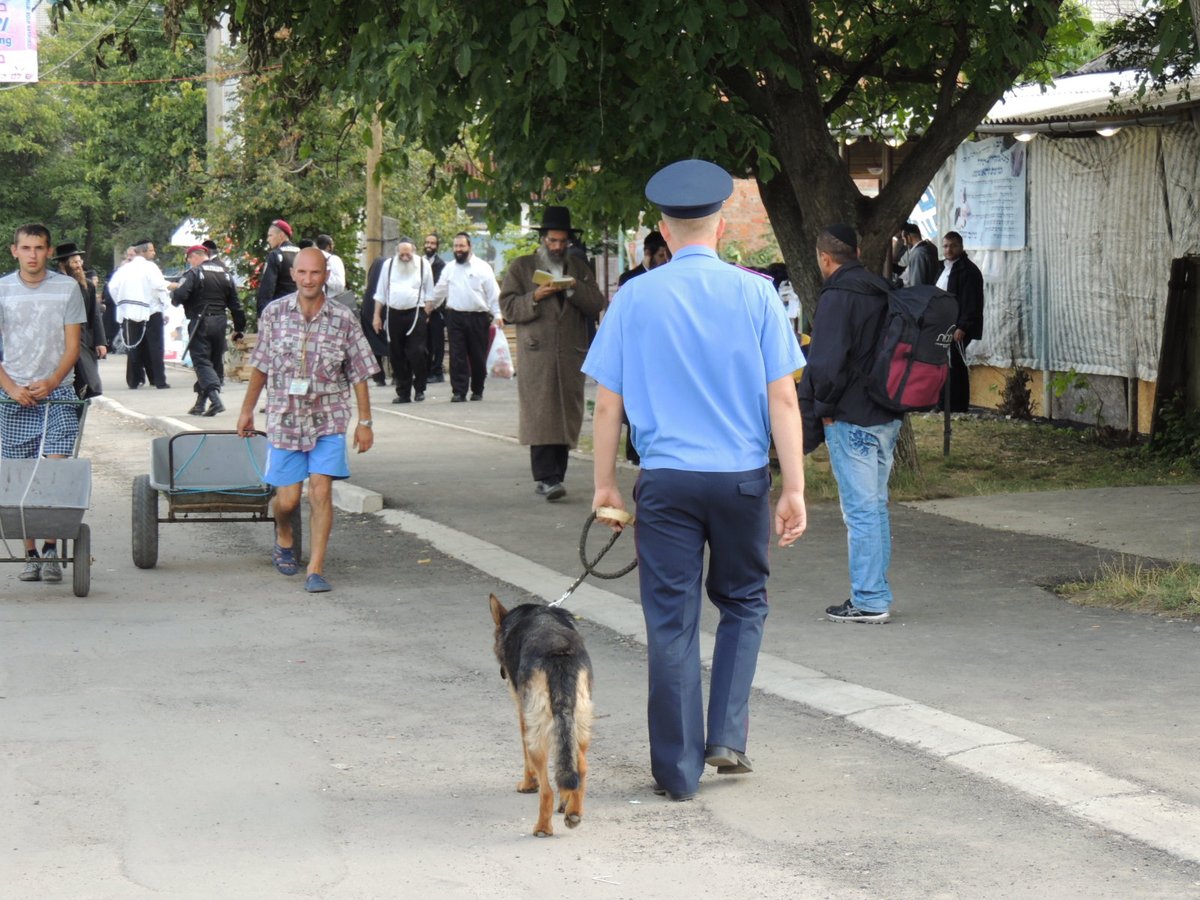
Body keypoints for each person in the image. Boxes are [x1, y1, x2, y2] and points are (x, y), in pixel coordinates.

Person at [583, 160, 807, 801]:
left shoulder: (633, 297)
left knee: (670, 621)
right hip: (740, 480)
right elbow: (783, 402)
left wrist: (604, 486)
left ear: (663, 227)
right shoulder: (758, 294)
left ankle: (677, 773)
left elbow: (606, 404)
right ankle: (727, 736)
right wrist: (792, 487)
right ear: (720, 225)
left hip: (667, 483)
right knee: (744, 602)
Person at [236, 247, 379, 594]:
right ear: (294, 274)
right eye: (302, 273)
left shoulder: (343, 318)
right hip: (285, 417)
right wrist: (247, 409)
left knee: (321, 490)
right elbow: (262, 365)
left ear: (325, 275)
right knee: (286, 501)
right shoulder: (274, 314)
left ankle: (315, 568)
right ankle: (284, 534)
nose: (308, 279)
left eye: (315, 273)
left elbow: (359, 372)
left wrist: (365, 422)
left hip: (328, 417)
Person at [799, 224, 903, 624]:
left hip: (850, 418)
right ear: (856, 251)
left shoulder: (837, 296)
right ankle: (876, 589)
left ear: (825, 258)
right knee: (874, 508)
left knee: (860, 511)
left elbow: (824, 365)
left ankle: (871, 599)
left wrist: (820, 409)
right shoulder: (880, 289)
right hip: (885, 415)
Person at [0, 224, 87, 584]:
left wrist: (52, 381)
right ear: (14, 251)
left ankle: (52, 549)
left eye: (39, 247)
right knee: (20, 477)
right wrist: (10, 387)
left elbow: (72, 347)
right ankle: (31, 553)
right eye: (26, 247)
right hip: (13, 396)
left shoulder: (66, 289)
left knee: (53, 471)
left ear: (49, 252)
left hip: (58, 393)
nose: (32, 254)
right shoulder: (2, 289)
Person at [499, 206, 605, 501]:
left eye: (562, 242)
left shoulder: (579, 269)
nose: (558, 247)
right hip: (538, 354)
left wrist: (572, 289)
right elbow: (507, 308)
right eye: (553, 241)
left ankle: (557, 476)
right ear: (543, 239)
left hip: (570, 354)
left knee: (565, 415)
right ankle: (546, 478)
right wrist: (535, 296)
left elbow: (596, 303)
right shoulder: (522, 267)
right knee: (541, 414)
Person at [171, 244, 246, 416]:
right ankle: (200, 403)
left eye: (189, 260)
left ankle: (215, 399)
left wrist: (173, 294)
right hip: (220, 321)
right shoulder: (225, 274)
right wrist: (239, 328)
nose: (190, 263)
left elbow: (179, 297)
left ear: (194, 257)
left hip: (200, 321)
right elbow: (236, 304)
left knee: (201, 361)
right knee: (213, 361)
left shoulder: (194, 273)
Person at [431, 232, 502, 402]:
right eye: (456, 246)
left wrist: (498, 313)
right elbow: (440, 290)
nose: (458, 250)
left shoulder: (483, 267)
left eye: (461, 246)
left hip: (478, 318)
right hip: (455, 316)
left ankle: (477, 389)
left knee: (477, 355)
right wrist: (427, 308)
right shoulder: (449, 268)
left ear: (470, 246)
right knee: (457, 355)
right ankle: (459, 391)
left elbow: (493, 293)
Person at [372, 237, 435, 404]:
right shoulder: (389, 265)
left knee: (417, 352)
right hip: (394, 314)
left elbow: (430, 293)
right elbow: (381, 293)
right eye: (402, 255)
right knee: (396, 354)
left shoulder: (423, 264)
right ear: (397, 253)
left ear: (413, 252)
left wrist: (427, 313)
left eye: (408, 254)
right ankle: (403, 392)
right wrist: (376, 316)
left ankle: (420, 387)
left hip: (416, 313)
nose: (405, 258)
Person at [111, 239, 174, 390]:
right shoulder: (150, 267)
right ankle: (158, 380)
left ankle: (133, 380)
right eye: (151, 250)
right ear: (143, 251)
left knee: (134, 347)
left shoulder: (125, 269)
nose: (154, 253)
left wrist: (123, 304)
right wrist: (166, 298)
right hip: (151, 311)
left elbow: (113, 287)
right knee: (155, 347)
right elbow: (159, 286)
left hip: (130, 312)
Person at [937, 230, 984, 413]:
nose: (949, 249)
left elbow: (971, 301)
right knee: (942, 364)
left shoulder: (968, 271)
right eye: (946, 246)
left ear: (961, 247)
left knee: (956, 365)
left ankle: (957, 405)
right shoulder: (942, 268)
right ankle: (943, 403)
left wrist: (962, 326)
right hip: (941, 325)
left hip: (958, 327)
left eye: (953, 246)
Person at [53, 242, 106, 399]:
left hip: (83, 341)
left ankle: (78, 417)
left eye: (79, 261)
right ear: (64, 263)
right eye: (74, 262)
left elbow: (94, 315)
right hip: (61, 342)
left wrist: (100, 342)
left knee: (86, 382)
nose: (78, 265)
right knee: (67, 384)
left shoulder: (87, 285)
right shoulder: (53, 284)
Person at [255, 219, 299, 316]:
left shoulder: (276, 255)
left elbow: (267, 287)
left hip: (281, 310)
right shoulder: (301, 253)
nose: (268, 239)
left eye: (270, 235)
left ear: (281, 235)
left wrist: (262, 313)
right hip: (301, 309)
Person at [423, 233, 447, 382]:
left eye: (432, 243)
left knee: (437, 342)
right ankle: (426, 371)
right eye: (427, 243)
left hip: (437, 310)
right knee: (424, 342)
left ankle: (437, 371)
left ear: (437, 246)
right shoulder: (419, 262)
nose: (429, 246)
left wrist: (431, 308)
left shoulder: (441, 265)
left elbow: (439, 288)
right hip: (421, 309)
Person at [895, 222, 939, 287]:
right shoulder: (930, 247)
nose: (904, 244)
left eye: (903, 239)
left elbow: (916, 283)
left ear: (908, 237)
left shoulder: (918, 253)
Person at [315, 234, 347, 299]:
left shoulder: (309, 258)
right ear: (328, 246)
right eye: (332, 244)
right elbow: (340, 286)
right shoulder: (334, 260)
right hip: (329, 301)